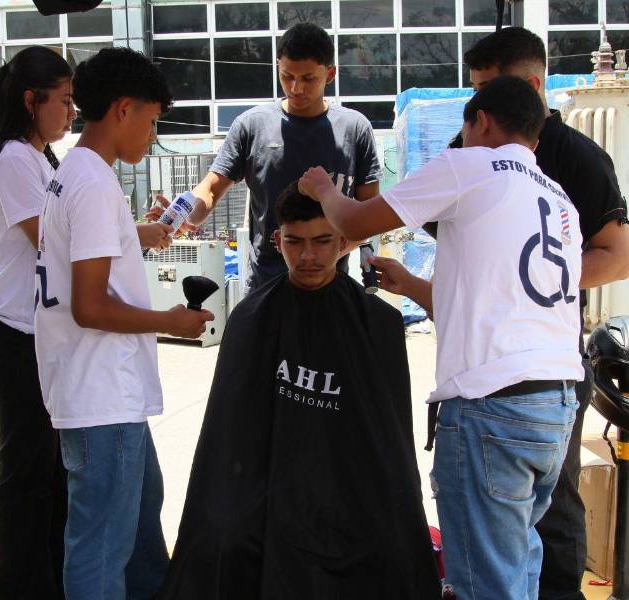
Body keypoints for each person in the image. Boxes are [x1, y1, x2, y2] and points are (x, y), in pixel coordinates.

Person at [298, 76, 584, 600]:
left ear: (481, 122)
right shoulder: (558, 198)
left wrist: (321, 187)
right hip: (555, 405)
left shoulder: (471, 165)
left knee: (483, 581)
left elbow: (358, 220)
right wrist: (409, 285)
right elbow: (500, 301)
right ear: (535, 139)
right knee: (518, 565)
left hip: (491, 409)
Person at [418, 27, 629, 600]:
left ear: (533, 88)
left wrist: (534, 274)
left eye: (493, 93)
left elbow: (616, 256)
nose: (481, 111)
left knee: (548, 513)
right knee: (504, 543)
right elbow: (455, 250)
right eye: (476, 95)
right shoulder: (469, 153)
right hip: (480, 364)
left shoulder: (577, 158)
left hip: (543, 369)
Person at [157, 184, 441, 600]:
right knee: (225, 534)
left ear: (344, 242)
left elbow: (387, 446)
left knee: (390, 540)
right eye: (294, 242)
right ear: (277, 241)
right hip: (267, 485)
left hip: (348, 486)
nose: (308, 256)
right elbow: (229, 438)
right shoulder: (251, 318)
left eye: (322, 241)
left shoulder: (376, 325)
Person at [33, 47, 214, 600]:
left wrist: (141, 233)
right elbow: (89, 306)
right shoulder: (91, 183)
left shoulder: (79, 175)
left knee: (136, 517)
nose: (152, 135)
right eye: (153, 120)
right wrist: (170, 321)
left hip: (104, 392)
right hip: (100, 394)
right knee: (101, 543)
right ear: (123, 109)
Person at [0, 45, 75, 600]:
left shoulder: (39, 156)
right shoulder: (13, 157)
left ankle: (46, 580)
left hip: (39, 332)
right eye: (63, 100)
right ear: (32, 100)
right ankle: (22, 586)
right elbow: (52, 240)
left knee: (50, 470)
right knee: (26, 471)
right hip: (15, 332)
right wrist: (128, 235)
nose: (71, 111)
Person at [175, 22, 381, 292]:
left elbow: (371, 215)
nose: (296, 88)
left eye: (308, 78)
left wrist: (327, 252)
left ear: (330, 74)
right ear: (277, 67)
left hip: (330, 288)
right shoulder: (252, 125)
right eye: (287, 76)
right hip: (266, 288)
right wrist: (180, 216)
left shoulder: (355, 129)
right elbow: (211, 190)